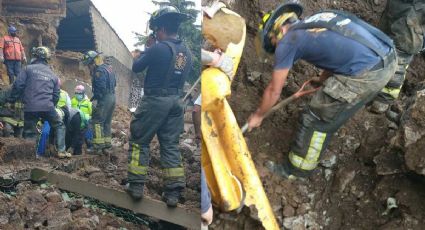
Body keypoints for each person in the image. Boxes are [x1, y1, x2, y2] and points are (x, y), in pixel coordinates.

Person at [247, 3, 397, 179]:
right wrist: (323, 79)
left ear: (276, 32)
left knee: (317, 119)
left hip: (370, 73)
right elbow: (339, 47)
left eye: (271, 41)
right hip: (388, 54)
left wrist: (258, 115)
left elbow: (273, 90)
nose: (274, 46)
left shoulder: (288, 41)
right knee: (326, 103)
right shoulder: (316, 20)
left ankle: (298, 170)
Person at [126, 6, 192, 207]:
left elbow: (136, 67)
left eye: (156, 30)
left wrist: (148, 48)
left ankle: (136, 186)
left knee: (139, 141)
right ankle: (173, 192)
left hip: (155, 101)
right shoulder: (187, 52)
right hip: (176, 102)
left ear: (161, 29)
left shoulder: (158, 48)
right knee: (170, 145)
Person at [8, 46, 69, 158]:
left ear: (35, 56)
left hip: (30, 107)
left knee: (30, 132)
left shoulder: (28, 69)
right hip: (48, 107)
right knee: (59, 125)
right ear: (46, 58)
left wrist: (12, 99)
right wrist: (50, 106)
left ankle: (29, 156)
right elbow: (56, 95)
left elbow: (18, 85)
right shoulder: (53, 75)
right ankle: (61, 151)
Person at [370, 0, 425, 119]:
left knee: (397, 62)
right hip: (401, 15)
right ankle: (375, 95)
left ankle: (382, 101)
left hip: (409, 23)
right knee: (382, 52)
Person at [81, 51, 116, 155]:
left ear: (93, 62)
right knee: (107, 122)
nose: (89, 67)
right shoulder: (109, 68)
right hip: (113, 97)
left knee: (97, 121)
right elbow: (115, 83)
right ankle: (106, 145)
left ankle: (97, 147)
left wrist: (97, 99)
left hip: (104, 98)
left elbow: (101, 87)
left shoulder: (99, 71)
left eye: (89, 64)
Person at [71, 84, 93, 152]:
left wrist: (88, 117)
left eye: (79, 93)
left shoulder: (88, 101)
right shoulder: (73, 100)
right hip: (76, 121)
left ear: (83, 93)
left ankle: (90, 145)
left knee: (87, 133)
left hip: (86, 121)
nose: (78, 94)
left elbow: (92, 112)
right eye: (76, 93)